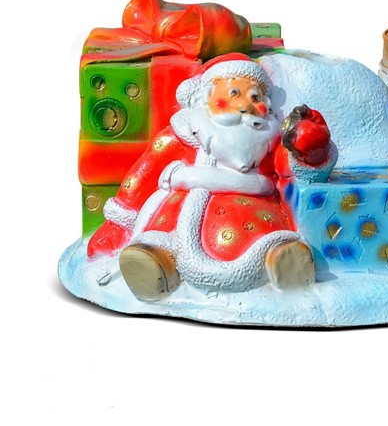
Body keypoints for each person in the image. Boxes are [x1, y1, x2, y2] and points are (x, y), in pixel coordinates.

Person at [87, 53, 336, 300]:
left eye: (255, 98)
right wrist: (118, 224)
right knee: (161, 242)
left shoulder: (268, 140)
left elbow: (290, 167)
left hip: (254, 217)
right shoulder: (182, 135)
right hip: (177, 217)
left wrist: (309, 145)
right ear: (206, 97)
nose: (245, 106)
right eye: (234, 94)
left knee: (268, 243)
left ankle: (284, 261)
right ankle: (152, 267)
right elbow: (143, 173)